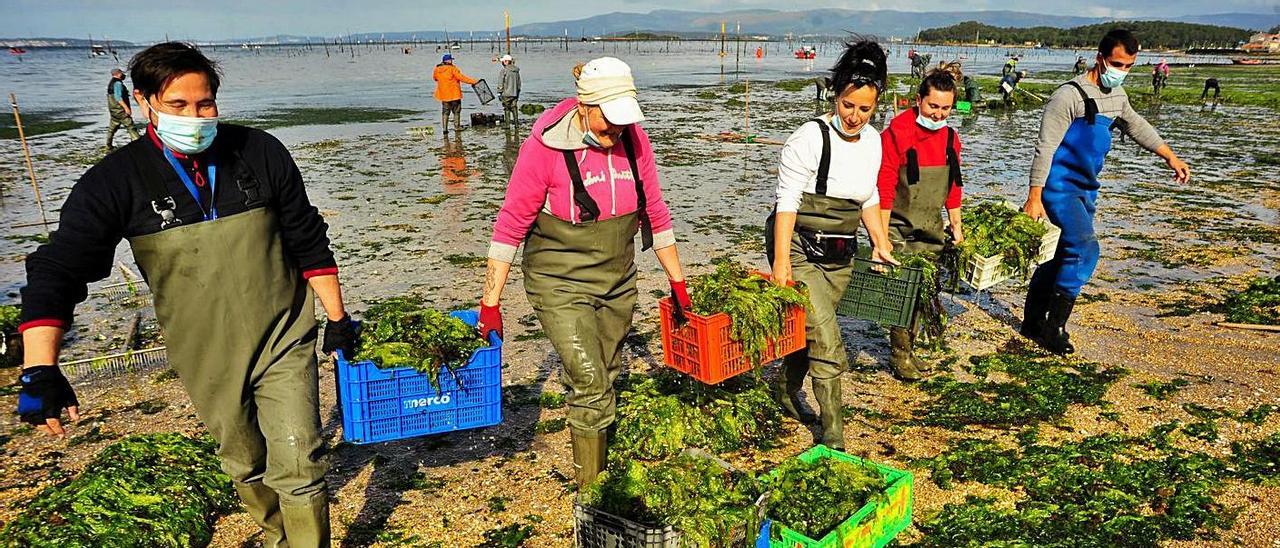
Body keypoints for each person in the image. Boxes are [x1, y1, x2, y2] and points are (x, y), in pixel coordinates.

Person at [15, 42, 358, 546]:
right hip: (204, 350)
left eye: (205, 105)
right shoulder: (117, 180)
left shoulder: (258, 152)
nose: (195, 117)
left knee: (300, 458)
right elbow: (59, 268)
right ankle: (279, 536)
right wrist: (40, 367)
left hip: (284, 332)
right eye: (178, 106)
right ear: (144, 101)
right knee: (246, 464)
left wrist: (337, 317)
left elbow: (307, 238)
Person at [479, 57, 688, 488]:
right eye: (609, 122)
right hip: (559, 281)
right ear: (584, 106)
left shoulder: (635, 141)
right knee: (591, 382)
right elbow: (510, 225)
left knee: (608, 371)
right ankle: (591, 497)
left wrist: (678, 284)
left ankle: (600, 462)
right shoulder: (544, 148)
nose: (615, 133)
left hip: (618, 277)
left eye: (622, 122)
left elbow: (657, 214)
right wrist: (490, 302)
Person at [1022, 29, 1190, 355]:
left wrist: (1170, 156)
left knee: (1059, 254)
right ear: (1100, 58)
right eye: (1116, 64)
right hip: (1058, 189)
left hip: (1087, 189)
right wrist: (1034, 197)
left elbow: (1137, 125)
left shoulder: (1118, 97)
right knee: (1085, 250)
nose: (1121, 71)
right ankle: (1054, 328)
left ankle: (1031, 321)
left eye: (1128, 66)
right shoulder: (1067, 97)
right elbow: (1045, 148)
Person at [768, 41, 898, 450]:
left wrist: (879, 241)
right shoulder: (808, 138)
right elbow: (786, 204)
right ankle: (834, 435)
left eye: (865, 110)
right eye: (848, 105)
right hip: (800, 247)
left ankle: (786, 391)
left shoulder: (875, 141)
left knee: (811, 331)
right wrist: (782, 263)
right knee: (827, 338)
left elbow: (869, 197)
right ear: (834, 96)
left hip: (841, 253)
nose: (855, 117)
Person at [877, 69, 965, 381]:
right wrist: (881, 239)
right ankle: (899, 354)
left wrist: (956, 224)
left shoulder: (951, 138)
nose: (939, 114)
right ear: (918, 101)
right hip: (899, 228)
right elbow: (885, 186)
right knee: (903, 292)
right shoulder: (896, 135)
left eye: (946, 109)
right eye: (933, 107)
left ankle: (910, 349)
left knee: (925, 292)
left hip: (931, 228)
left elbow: (954, 185)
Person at [433, 53, 478, 134]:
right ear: (449, 61)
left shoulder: (437, 69)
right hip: (454, 94)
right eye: (451, 60)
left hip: (444, 95)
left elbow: (435, 78)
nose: (451, 61)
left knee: (445, 112)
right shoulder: (453, 69)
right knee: (456, 112)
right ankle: (457, 127)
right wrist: (474, 81)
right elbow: (461, 78)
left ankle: (445, 129)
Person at [105, 68, 139, 149]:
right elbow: (118, 98)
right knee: (130, 127)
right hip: (120, 110)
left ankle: (108, 145)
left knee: (112, 128)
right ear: (118, 74)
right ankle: (138, 144)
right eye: (122, 73)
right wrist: (126, 108)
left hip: (113, 110)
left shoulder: (111, 83)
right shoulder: (117, 84)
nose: (124, 75)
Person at [498, 54, 521, 127]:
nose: (502, 63)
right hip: (515, 93)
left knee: (506, 109)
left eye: (503, 61)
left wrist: (499, 92)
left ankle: (507, 125)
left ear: (506, 61)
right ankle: (516, 124)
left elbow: (500, 83)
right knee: (514, 108)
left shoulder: (504, 71)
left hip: (506, 94)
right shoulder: (516, 71)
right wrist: (518, 92)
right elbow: (519, 83)